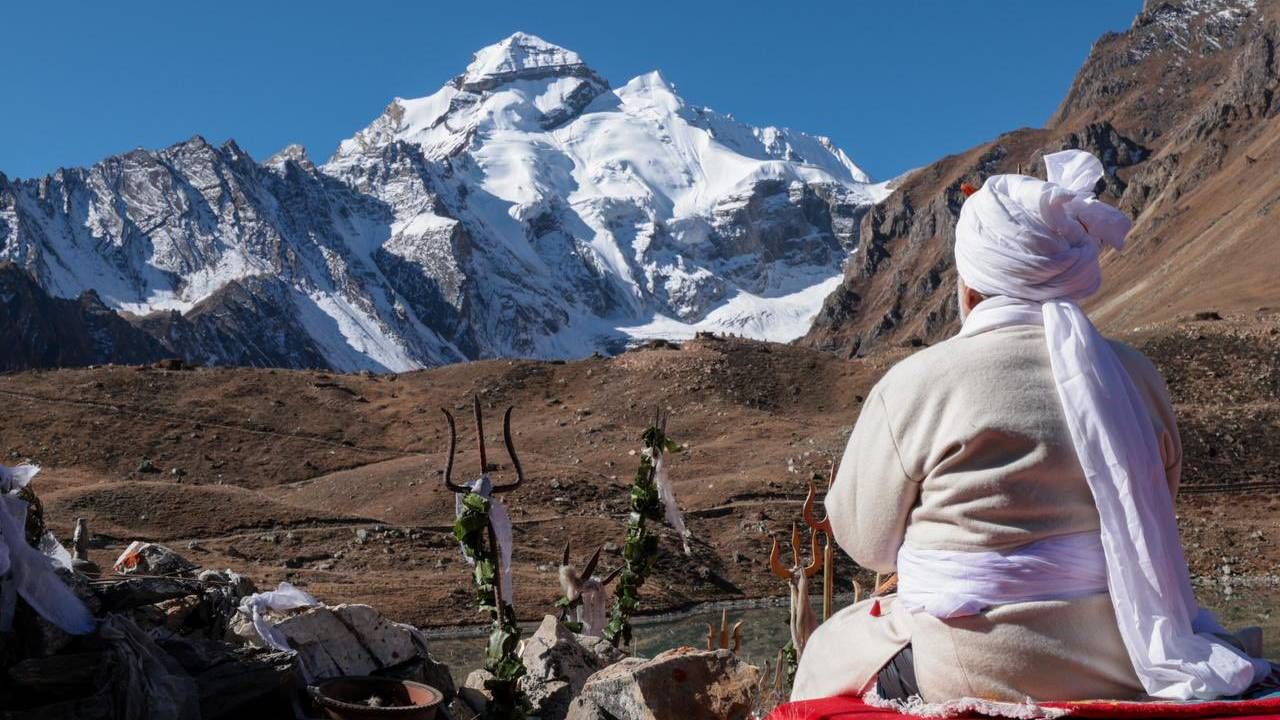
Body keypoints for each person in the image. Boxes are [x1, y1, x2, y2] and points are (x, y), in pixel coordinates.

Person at [792, 149, 1271, 704]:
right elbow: (1154, 502)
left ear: (967, 287)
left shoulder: (916, 383)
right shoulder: (1136, 377)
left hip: (975, 661)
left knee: (832, 648)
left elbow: (867, 542)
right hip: (1128, 650)